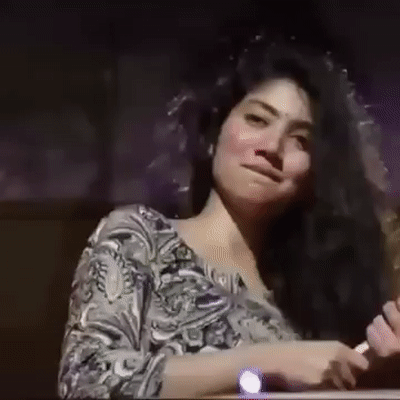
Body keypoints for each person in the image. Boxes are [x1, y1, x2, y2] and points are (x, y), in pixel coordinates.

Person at [58, 35, 399, 399]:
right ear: (212, 134)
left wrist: (374, 369)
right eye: (257, 119)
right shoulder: (139, 238)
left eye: (301, 140)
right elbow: (87, 380)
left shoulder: (309, 299)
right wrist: (267, 361)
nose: (272, 147)